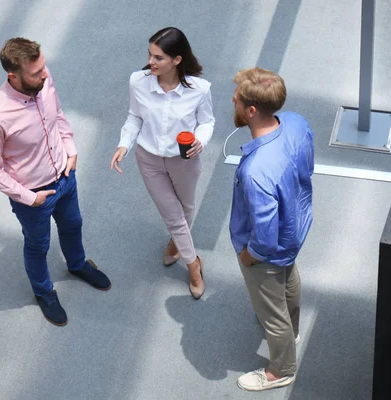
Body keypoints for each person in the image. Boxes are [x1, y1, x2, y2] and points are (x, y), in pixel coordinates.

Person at [0, 38, 111, 327]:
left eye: (44, 67)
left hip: (65, 176)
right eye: (36, 72)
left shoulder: (44, 82)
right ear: (13, 75)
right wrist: (29, 197)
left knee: (73, 224)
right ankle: (44, 292)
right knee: (38, 245)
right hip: (34, 195)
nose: (45, 75)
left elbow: (57, 116)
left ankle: (77, 265)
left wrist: (70, 147)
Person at [110, 27, 214, 299]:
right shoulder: (138, 81)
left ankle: (176, 243)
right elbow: (135, 117)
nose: (151, 62)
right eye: (150, 54)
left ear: (177, 60)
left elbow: (207, 122)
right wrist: (124, 144)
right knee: (173, 215)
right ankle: (194, 266)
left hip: (184, 160)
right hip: (149, 159)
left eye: (159, 58)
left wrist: (200, 140)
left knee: (186, 208)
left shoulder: (199, 89)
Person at [229, 67, 314, 391]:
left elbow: (263, 238)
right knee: (289, 278)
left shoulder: (256, 172)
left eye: (236, 99)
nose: (232, 100)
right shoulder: (296, 122)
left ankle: (281, 369)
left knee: (270, 310)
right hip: (296, 227)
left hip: (267, 248)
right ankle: (291, 331)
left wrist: (249, 258)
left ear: (251, 111)